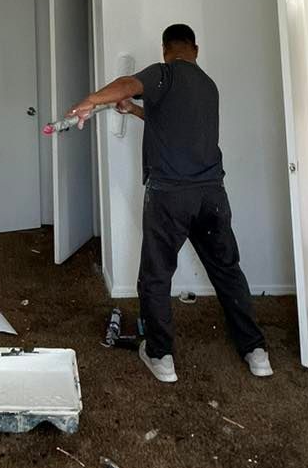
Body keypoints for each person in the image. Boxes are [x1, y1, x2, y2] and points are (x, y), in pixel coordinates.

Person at [66, 23, 272, 384]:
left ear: (165, 50)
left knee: (156, 276)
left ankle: (161, 356)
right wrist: (133, 111)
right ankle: (256, 352)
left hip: (170, 196)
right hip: (211, 194)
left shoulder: (162, 74)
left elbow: (128, 83)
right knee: (227, 270)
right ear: (196, 48)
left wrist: (90, 100)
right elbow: (168, 121)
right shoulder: (208, 86)